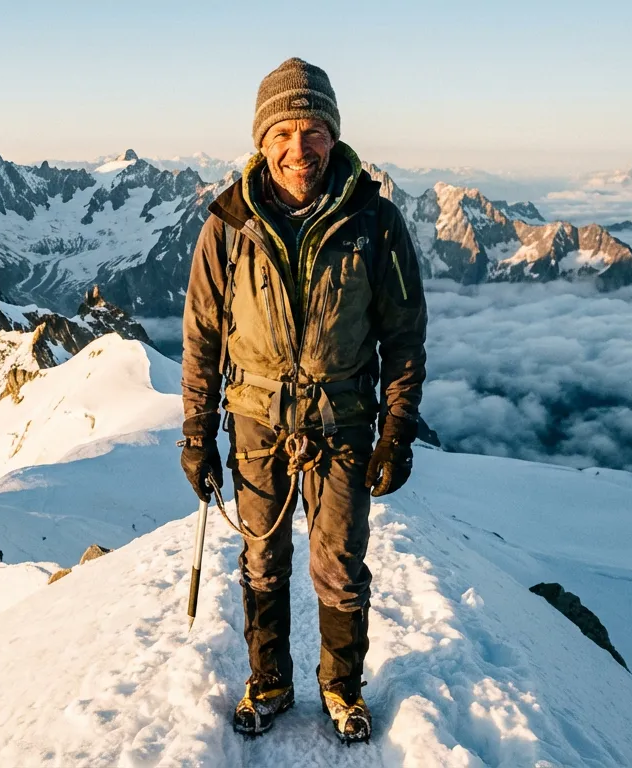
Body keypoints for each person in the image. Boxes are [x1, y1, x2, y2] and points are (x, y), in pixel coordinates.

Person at [178, 57, 427, 744]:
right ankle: (270, 681)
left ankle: (341, 687)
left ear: (333, 135)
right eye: (282, 133)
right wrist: (197, 435)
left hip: (342, 420)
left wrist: (396, 431)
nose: (299, 148)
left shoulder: (375, 223)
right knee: (262, 560)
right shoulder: (228, 225)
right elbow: (202, 337)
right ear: (262, 141)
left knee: (339, 566)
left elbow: (404, 336)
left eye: (312, 130)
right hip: (255, 420)